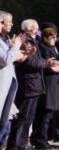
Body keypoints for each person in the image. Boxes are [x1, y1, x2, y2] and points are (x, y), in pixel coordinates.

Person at [8, 19, 59, 150]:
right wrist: (47, 63)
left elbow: (38, 60)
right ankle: (14, 145)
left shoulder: (33, 41)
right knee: (22, 118)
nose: (38, 31)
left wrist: (45, 62)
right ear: (29, 29)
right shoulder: (25, 41)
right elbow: (31, 62)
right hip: (28, 85)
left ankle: (21, 145)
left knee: (28, 119)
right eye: (35, 28)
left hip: (35, 85)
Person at [31, 27, 59, 150]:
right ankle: (41, 139)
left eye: (55, 37)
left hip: (53, 83)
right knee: (44, 114)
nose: (55, 40)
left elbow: (56, 64)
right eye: (52, 37)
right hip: (48, 84)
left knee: (47, 114)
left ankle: (40, 138)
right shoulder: (43, 48)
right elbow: (50, 63)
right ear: (45, 37)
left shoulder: (51, 48)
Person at [0, 11, 22, 147]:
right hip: (2, 86)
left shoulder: (3, 38)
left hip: (9, 85)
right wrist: (15, 47)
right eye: (10, 21)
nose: (12, 24)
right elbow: (5, 59)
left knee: (5, 124)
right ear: (1, 22)